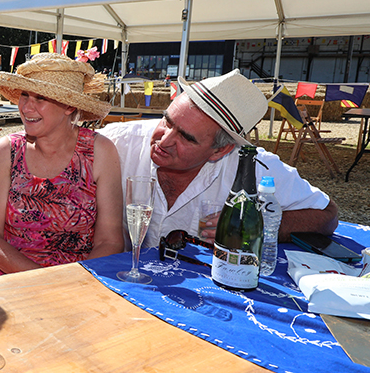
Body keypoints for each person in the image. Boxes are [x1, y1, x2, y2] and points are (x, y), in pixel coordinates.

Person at [98, 69, 338, 246]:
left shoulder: (252, 168)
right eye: (167, 121)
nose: (164, 139)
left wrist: (255, 226)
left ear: (220, 150)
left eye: (186, 138)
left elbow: (327, 215)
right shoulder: (117, 142)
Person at [0, 53, 125, 277]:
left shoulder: (100, 152)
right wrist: (43, 281)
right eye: (24, 95)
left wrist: (70, 284)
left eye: (40, 98)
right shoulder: (6, 151)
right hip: (12, 283)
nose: (26, 107)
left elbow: (110, 241)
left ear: (68, 107)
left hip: (78, 284)